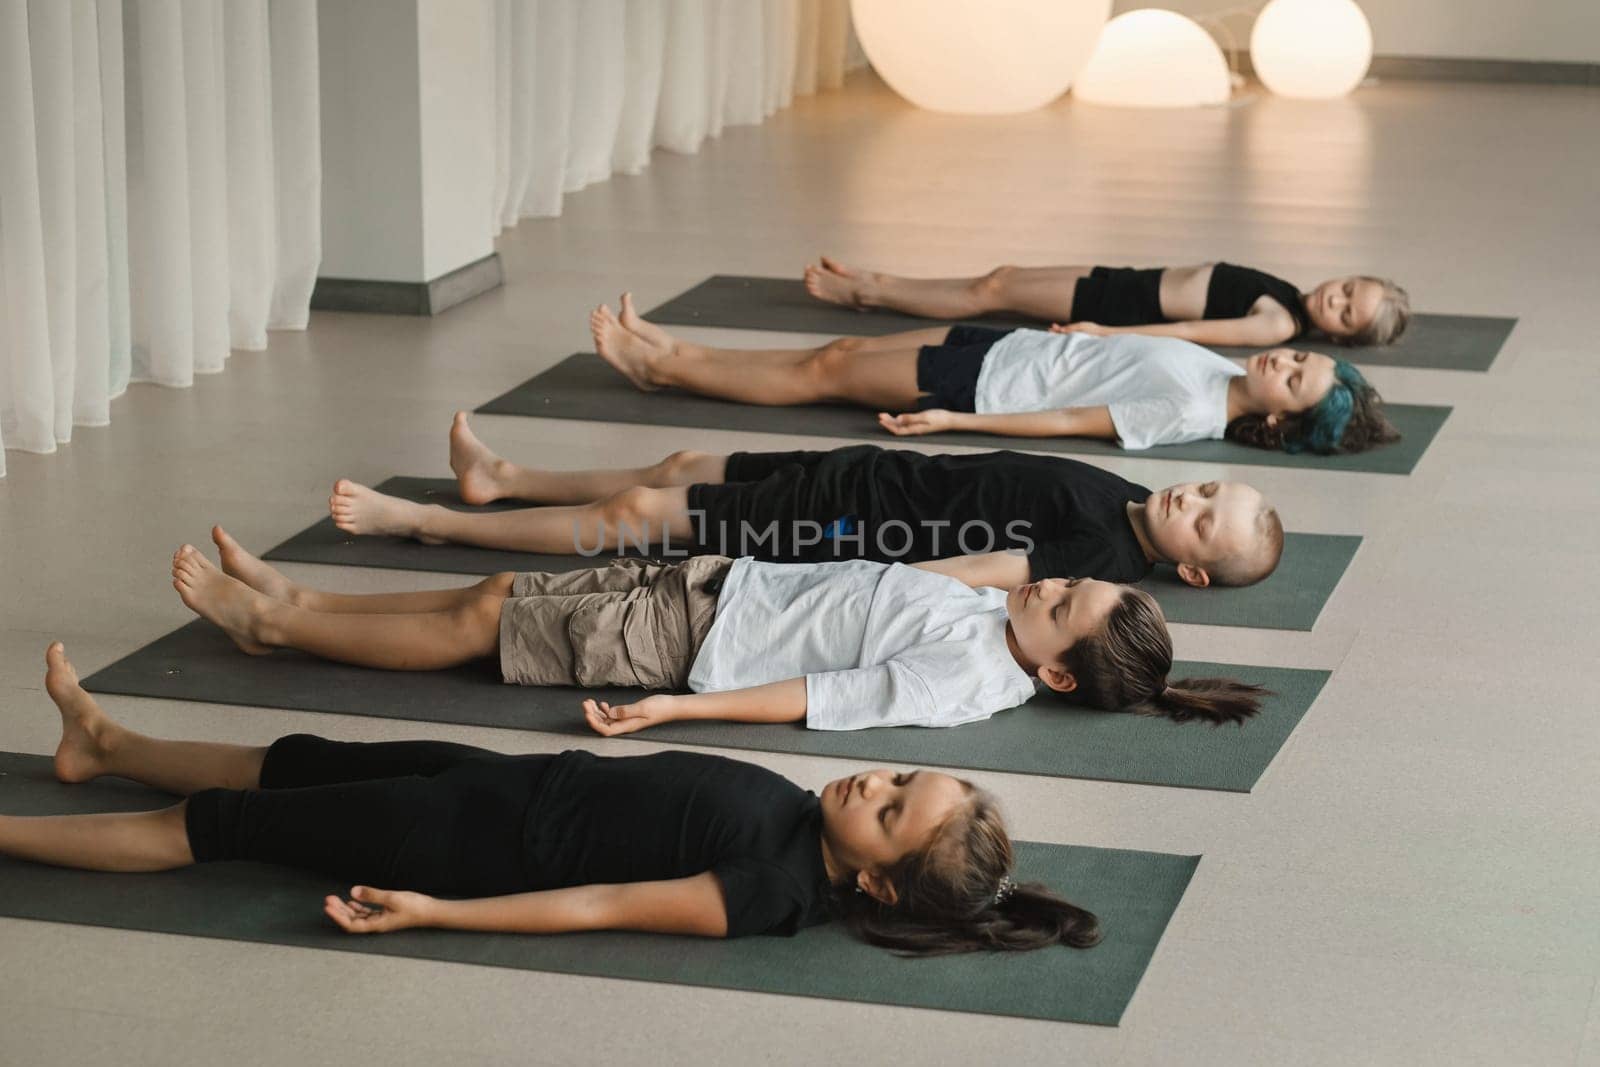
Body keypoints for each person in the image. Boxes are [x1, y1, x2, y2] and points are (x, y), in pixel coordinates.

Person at [2, 643, 1100, 952]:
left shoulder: (765, 888)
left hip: (456, 838)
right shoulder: (800, 818)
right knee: (298, 757)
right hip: (506, 783)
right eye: (904, 773)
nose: (878, 777)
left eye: (893, 806)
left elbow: (596, 905)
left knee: (229, 829)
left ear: (874, 873)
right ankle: (108, 740)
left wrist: (436, 912)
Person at [172, 528, 1267, 729]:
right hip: (717, 585)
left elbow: (819, 698)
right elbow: (898, 582)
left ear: (1061, 675)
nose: (1052, 586)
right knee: (503, 588)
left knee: (477, 622)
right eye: (1071, 582)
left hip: (687, 645)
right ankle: (303, 604)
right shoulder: (998, 623)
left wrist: (680, 704)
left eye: (1063, 605)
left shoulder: (968, 678)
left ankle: (278, 632)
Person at [329, 415, 1283, 589]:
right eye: (1207, 487)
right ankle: (505, 480)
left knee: (634, 519)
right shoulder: (1129, 504)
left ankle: (425, 521)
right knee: (682, 460)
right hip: (859, 472)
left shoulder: (1105, 556)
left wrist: (842, 567)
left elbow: (977, 572)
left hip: (842, 522)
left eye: (1205, 520)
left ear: (1192, 566)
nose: (1190, 497)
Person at [587, 294, 1399, 454]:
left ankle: (666, 372)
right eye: (1299, 355)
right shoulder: (1222, 372)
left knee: (824, 369)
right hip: (1010, 346)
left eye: (1294, 379)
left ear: (1279, 421)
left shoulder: (1188, 412)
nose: (1284, 360)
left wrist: (958, 423)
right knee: (826, 357)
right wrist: (1100, 329)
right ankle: (673, 353)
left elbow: (1066, 425)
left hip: (989, 387)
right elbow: (1133, 352)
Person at [802, 257, 1410, 348]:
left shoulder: (1277, 323)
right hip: (1123, 281)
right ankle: (877, 284)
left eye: (1346, 312)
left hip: (1118, 305)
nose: (1338, 298)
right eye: (1350, 289)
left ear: (1337, 334)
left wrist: (1105, 331)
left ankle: (867, 290)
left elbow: (1193, 333)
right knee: (998, 282)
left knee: (992, 294)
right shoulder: (1287, 296)